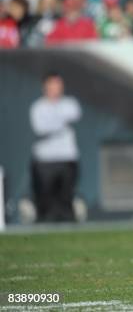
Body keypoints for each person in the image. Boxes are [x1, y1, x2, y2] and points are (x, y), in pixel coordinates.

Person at [30, 72, 82, 222]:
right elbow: (41, 128)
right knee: (46, 201)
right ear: (45, 86)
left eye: (59, 84)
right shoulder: (38, 107)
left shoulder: (69, 103)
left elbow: (75, 114)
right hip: (45, 161)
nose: (56, 87)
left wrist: (54, 121)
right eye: (53, 84)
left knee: (66, 200)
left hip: (67, 159)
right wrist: (61, 121)